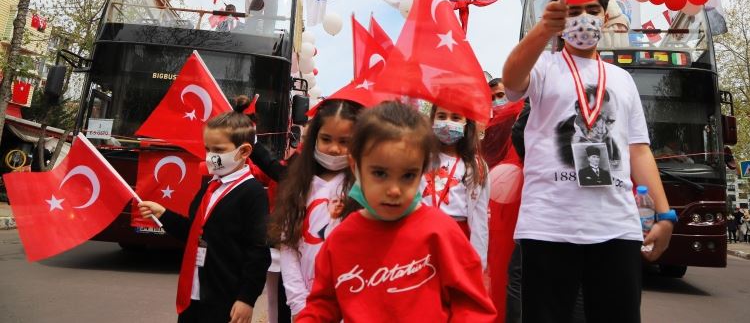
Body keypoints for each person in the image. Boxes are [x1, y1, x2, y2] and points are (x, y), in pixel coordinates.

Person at [502, 0, 674, 323]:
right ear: (560, 18)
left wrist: (665, 214)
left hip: (617, 226)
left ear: (605, 16)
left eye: (592, 10)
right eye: (573, 11)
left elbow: (638, 148)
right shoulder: (543, 66)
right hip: (549, 225)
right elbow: (510, 80)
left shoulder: (623, 80)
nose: (584, 19)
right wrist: (542, 30)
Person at [296, 101, 496, 322]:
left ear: (423, 170)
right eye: (380, 173)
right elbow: (322, 306)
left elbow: (472, 307)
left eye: (408, 175)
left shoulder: (441, 233)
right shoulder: (341, 240)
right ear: (355, 166)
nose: (393, 190)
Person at [139, 97, 269, 323]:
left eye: (218, 149)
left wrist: (247, 298)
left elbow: (258, 251)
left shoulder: (253, 193)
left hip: (225, 299)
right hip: (194, 293)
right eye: (208, 148)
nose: (210, 156)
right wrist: (164, 215)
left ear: (244, 151)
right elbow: (196, 232)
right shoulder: (209, 186)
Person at [268, 99, 362, 319]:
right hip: (305, 306)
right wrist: (299, 303)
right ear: (314, 139)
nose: (334, 148)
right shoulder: (299, 186)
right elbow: (289, 247)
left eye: (344, 141)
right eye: (326, 139)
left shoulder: (364, 189)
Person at [422, 105, 490, 270]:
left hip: (457, 239)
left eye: (456, 118)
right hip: (421, 235)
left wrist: (478, 263)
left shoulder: (476, 166)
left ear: (467, 124)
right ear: (432, 120)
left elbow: (480, 219)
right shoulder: (420, 157)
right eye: (442, 116)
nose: (447, 123)